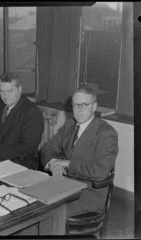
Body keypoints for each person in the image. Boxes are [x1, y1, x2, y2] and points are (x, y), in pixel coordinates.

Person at [40, 86, 118, 218]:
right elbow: (47, 149)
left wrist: (67, 164)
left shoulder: (107, 133)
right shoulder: (69, 124)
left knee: (47, 216)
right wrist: (54, 165)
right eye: (76, 104)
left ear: (94, 107)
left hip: (88, 193)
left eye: (84, 105)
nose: (79, 109)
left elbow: (100, 171)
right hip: (63, 185)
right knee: (29, 205)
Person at [0, 72, 44, 169]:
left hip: (18, 164)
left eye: (10, 91)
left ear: (19, 89)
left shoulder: (32, 112)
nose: (6, 96)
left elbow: (28, 148)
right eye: (2, 91)